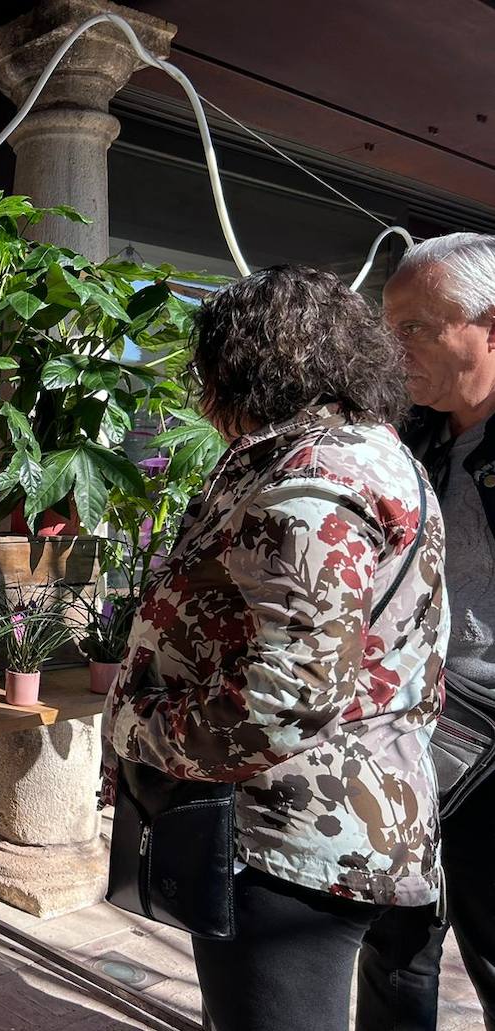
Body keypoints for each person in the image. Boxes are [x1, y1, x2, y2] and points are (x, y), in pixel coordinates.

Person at [102, 266, 448, 1031]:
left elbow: (290, 689)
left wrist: (139, 731)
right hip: (337, 821)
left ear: (248, 367)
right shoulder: (361, 454)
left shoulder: (318, 475)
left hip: (290, 840)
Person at [359, 233, 495, 1031]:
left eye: (418, 325)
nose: (395, 346)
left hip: (490, 749)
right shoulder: (409, 433)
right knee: (396, 942)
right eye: (390, 325)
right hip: (409, 727)